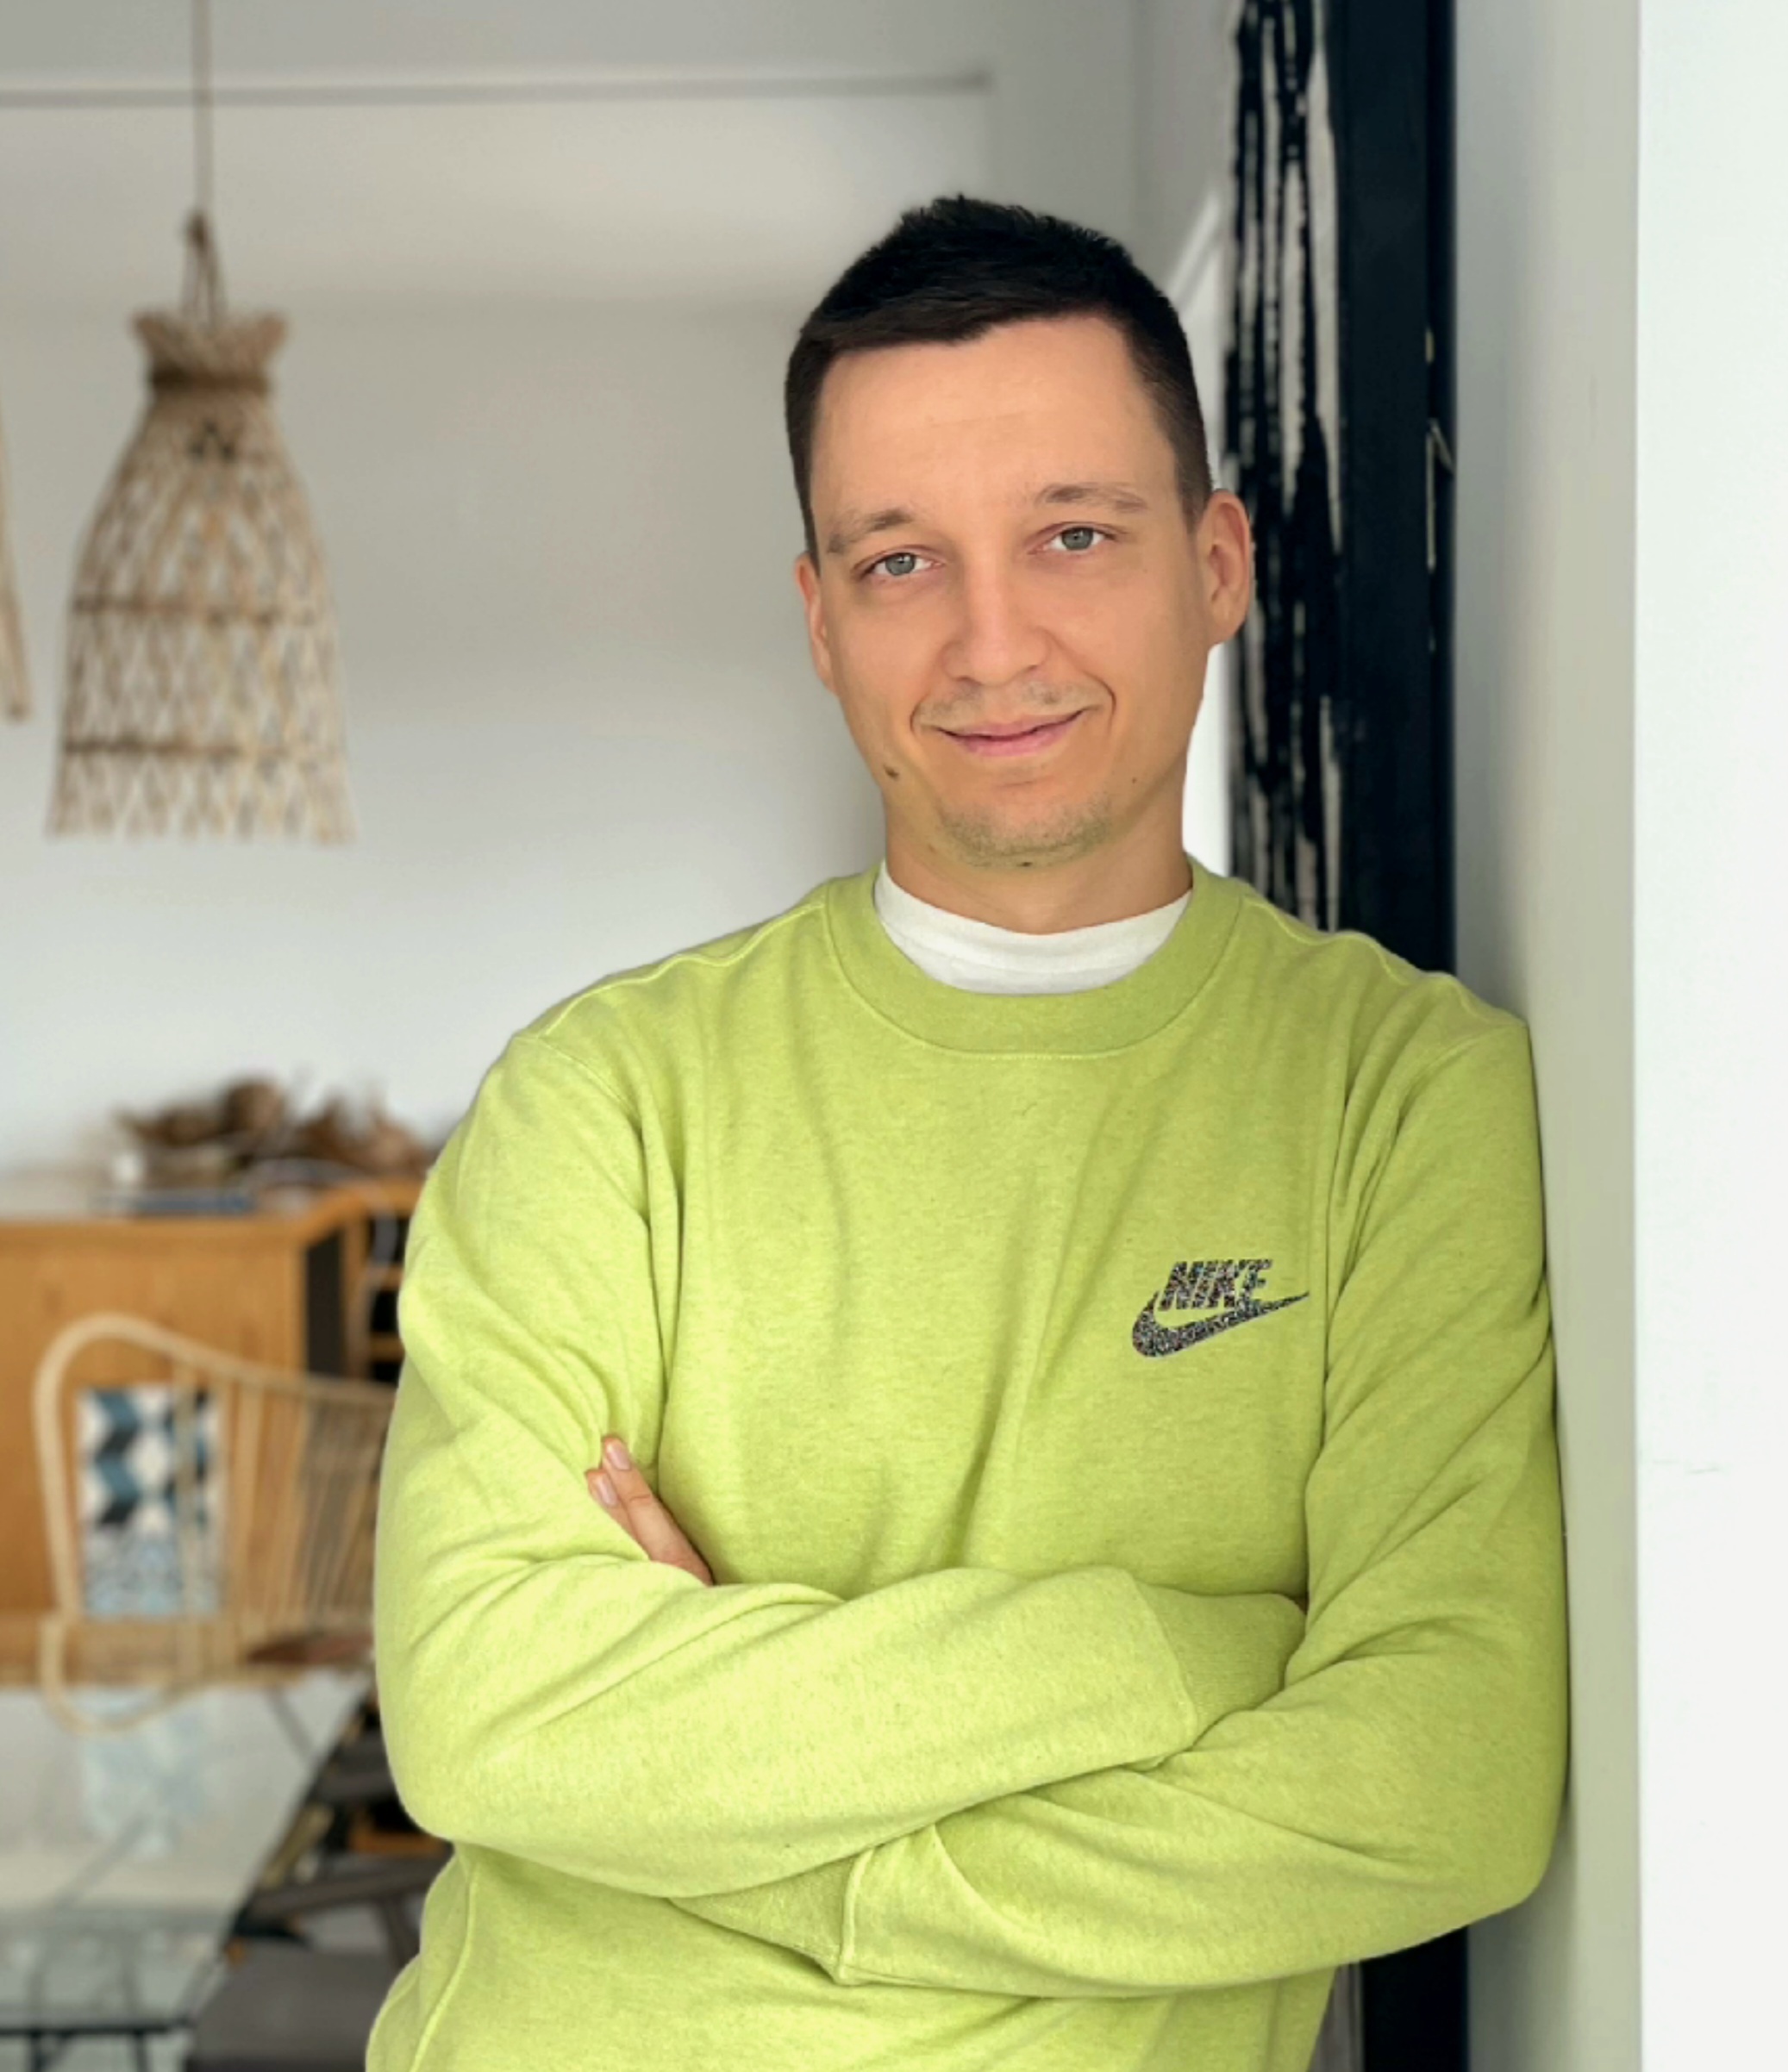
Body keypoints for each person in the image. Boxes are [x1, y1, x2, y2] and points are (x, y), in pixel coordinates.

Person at [365, 197, 1566, 2072]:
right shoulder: (600, 1101)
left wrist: (758, 1824)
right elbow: (484, 1718)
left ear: (1218, 563)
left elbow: (1439, 1784)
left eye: (1073, 535)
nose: (991, 644)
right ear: (820, 621)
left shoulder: (1402, 1098)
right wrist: (1195, 1651)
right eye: (902, 561)